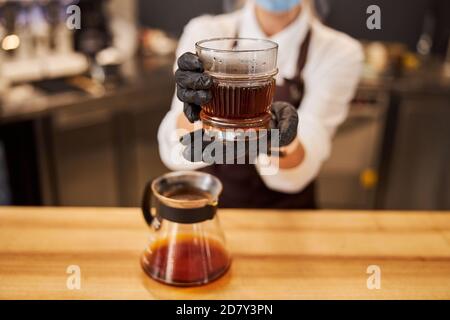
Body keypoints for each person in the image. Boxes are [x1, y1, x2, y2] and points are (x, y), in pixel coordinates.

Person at [158, 0, 363, 208]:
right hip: (210, 203)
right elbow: (176, 151)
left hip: (287, 215)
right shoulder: (205, 32)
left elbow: (305, 161)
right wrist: (195, 113)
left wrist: (280, 138)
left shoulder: (340, 51)